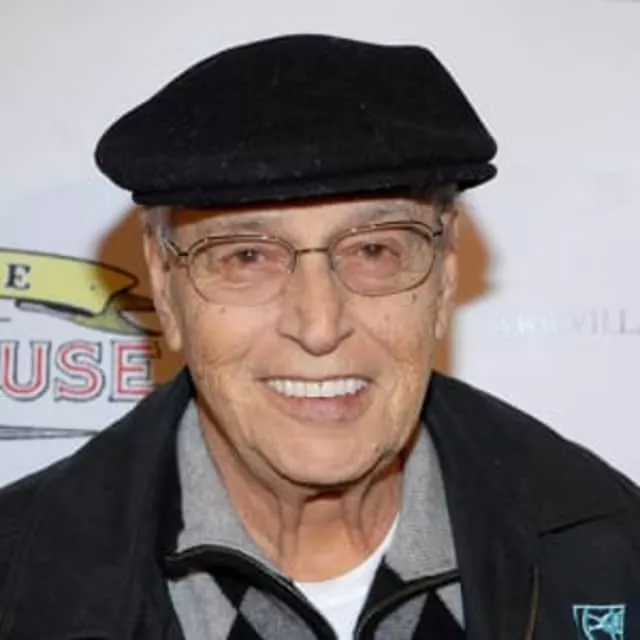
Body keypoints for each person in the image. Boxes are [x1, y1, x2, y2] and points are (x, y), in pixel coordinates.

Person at [0, 34, 638, 640]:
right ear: (165, 286)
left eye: (375, 251)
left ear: (445, 276)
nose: (319, 324)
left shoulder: (611, 551)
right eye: (247, 256)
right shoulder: (20, 572)